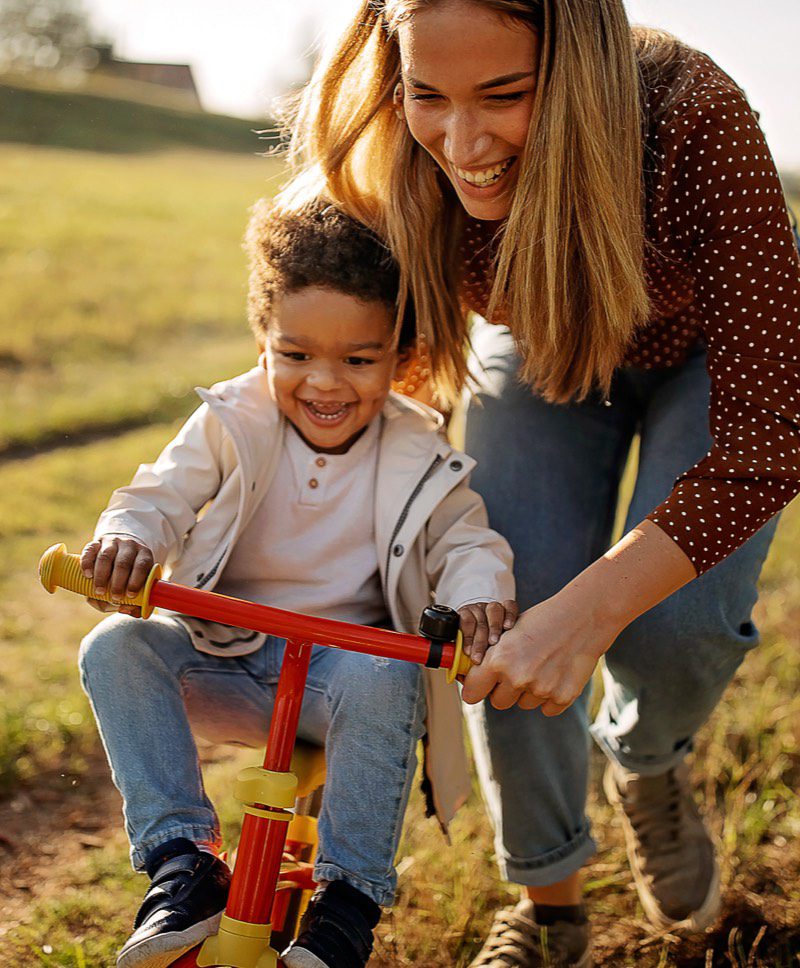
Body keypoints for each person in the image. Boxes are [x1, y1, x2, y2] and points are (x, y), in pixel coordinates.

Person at [280, 1, 800, 965]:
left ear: (577, 69)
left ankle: (643, 762)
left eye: (506, 96)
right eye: (429, 94)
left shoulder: (693, 117)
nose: (463, 142)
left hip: (703, 357)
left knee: (669, 624)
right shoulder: (398, 156)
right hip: (546, 337)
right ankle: (551, 903)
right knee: (497, 604)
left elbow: (770, 438)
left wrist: (594, 610)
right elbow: (335, 365)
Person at [77, 200, 516, 968]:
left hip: (341, 684)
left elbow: (465, 540)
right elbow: (160, 496)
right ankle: (184, 863)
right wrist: (129, 537)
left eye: (358, 358)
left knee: (389, 665)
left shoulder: (415, 448)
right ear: (263, 343)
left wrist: (480, 592)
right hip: (225, 660)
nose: (325, 382)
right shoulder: (233, 418)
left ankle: (346, 904)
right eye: (297, 353)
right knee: (116, 645)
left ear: (398, 356)